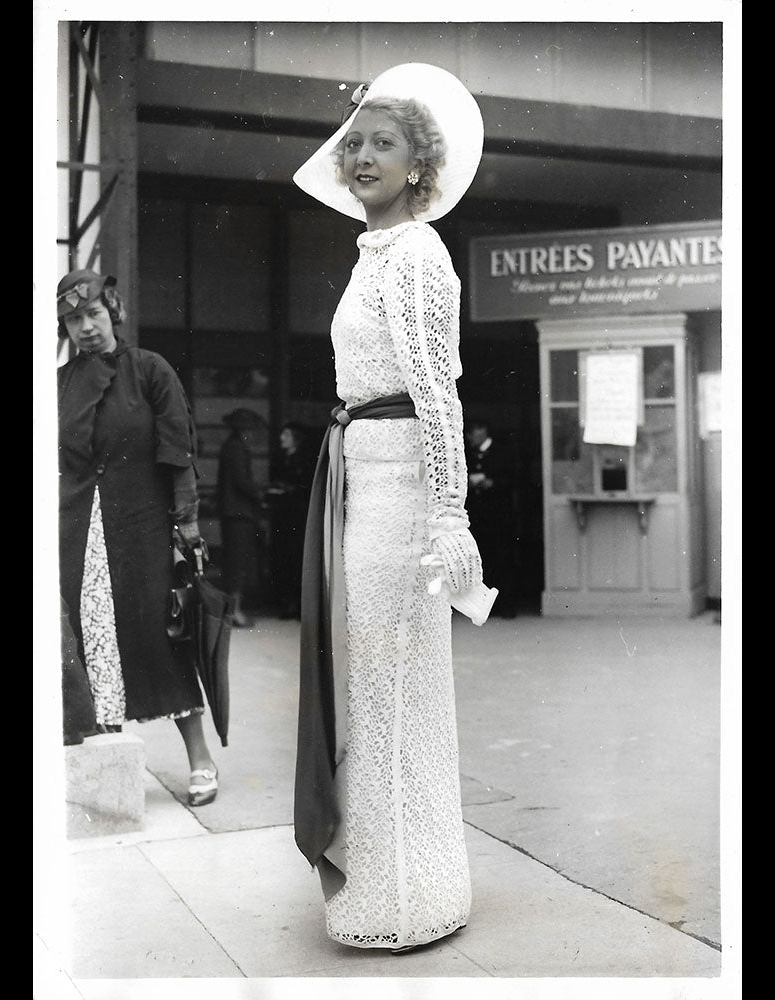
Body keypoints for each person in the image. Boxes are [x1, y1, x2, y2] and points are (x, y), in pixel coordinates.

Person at [291, 63, 493, 953]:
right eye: (354, 142)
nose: (362, 154)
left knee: (392, 691)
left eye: (384, 142)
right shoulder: (374, 255)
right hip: (358, 483)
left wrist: (449, 515)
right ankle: (387, 881)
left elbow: (437, 393)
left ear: (419, 165)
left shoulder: (417, 255)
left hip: (402, 496)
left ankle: (410, 896)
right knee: (369, 691)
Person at [56, 269, 219, 807]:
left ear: (114, 312)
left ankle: (200, 760)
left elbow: (177, 451)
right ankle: (105, 767)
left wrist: (188, 524)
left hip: (142, 530)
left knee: (159, 638)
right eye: (73, 319)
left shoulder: (149, 370)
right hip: (78, 534)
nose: (85, 327)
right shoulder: (57, 386)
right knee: (89, 645)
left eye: (93, 315)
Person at [465, 419, 519, 618]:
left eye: (473, 433)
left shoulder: (501, 451)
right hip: (479, 517)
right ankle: (486, 608)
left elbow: (512, 478)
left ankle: (507, 606)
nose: (470, 438)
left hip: (500, 516)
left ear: (483, 429)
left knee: (503, 559)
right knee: (483, 561)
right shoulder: (470, 454)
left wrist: (492, 483)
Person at [217, 408, 264, 627]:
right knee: (237, 564)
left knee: (235, 562)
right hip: (238, 512)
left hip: (233, 512)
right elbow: (242, 482)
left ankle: (232, 611)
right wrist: (260, 493)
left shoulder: (231, 446)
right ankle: (234, 612)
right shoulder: (236, 448)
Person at [265, 422, 313, 619]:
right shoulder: (279, 459)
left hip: (297, 516)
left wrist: (289, 490)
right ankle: (285, 603)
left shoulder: (304, 460)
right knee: (282, 558)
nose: (281, 438)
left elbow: (306, 488)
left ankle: (298, 605)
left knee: (296, 559)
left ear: (295, 438)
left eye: (286, 435)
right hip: (282, 516)